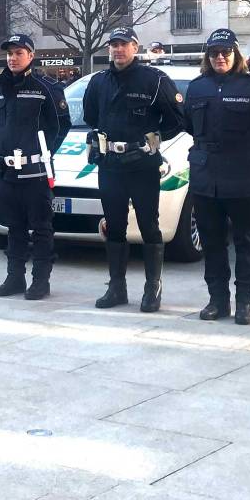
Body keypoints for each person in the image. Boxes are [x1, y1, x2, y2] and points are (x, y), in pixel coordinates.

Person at [184, 29, 250, 325]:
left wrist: (247, 156)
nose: (220, 57)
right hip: (206, 176)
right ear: (207, 56)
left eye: (226, 52)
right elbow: (190, 126)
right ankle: (217, 300)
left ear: (236, 54)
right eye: (214, 53)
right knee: (212, 242)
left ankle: (245, 302)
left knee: (246, 242)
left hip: (242, 175)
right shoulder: (197, 87)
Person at [82, 27, 184, 312]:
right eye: (113, 45)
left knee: (150, 227)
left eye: (124, 45)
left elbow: (177, 119)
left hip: (142, 165)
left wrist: (153, 137)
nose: (118, 50)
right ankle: (117, 288)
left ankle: (153, 288)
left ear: (135, 47)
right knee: (114, 227)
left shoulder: (154, 80)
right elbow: (91, 116)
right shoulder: (99, 82)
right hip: (110, 165)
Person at [0, 33, 71, 300]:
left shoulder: (46, 87)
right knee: (15, 227)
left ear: (31, 56)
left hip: (35, 172)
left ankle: (40, 280)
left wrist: (43, 154)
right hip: (6, 172)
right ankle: (15, 278)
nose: (13, 58)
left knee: (41, 227)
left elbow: (61, 125)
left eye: (19, 53)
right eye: (9, 53)